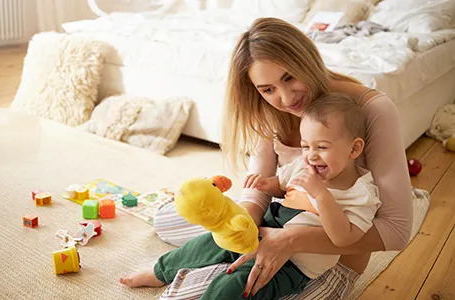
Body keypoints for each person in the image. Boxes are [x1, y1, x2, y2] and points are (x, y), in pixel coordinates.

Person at [151, 17, 412, 299]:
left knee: (188, 294)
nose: (286, 98)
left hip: (323, 261)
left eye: (289, 77)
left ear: (307, 59)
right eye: (268, 89)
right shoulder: (269, 106)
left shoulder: (369, 110)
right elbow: (259, 190)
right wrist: (245, 226)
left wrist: (289, 240)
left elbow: (396, 231)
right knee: (166, 220)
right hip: (276, 222)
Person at [120, 94, 382, 299]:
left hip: (293, 265)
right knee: (209, 242)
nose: (311, 155)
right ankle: (159, 271)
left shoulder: (361, 192)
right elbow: (282, 186)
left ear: (354, 148)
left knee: (236, 284)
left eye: (322, 147)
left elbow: (344, 238)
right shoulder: (304, 165)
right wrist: (266, 184)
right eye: (305, 146)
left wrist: (321, 195)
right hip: (260, 229)